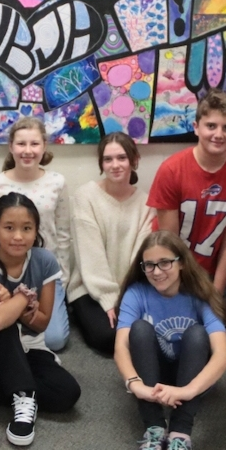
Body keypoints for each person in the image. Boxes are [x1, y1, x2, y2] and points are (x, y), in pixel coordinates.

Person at [114, 232, 226, 450]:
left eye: (165, 263)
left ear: (181, 263)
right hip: (151, 374)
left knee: (198, 334)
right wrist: (135, 385)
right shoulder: (137, 292)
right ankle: (154, 430)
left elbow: (222, 356)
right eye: (149, 265)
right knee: (139, 330)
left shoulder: (200, 293)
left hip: (191, 374)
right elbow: (121, 346)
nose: (156, 272)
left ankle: (180, 434)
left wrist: (188, 390)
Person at [0, 193, 82, 446]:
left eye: (26, 228)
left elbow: (41, 323)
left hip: (29, 346)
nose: (18, 236)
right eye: (9, 228)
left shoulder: (44, 261)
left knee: (67, 392)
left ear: (36, 231)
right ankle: (23, 397)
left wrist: (12, 307)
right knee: (2, 323)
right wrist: (20, 301)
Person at [146, 89, 226, 294]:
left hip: (211, 275)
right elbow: (168, 240)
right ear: (196, 127)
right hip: (167, 272)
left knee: (216, 323)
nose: (218, 134)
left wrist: (215, 291)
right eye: (211, 126)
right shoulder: (171, 170)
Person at [0, 118, 72, 351]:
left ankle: (20, 320)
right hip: (5, 272)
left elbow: (62, 233)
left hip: (43, 274)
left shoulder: (57, 183)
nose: (28, 151)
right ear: (11, 147)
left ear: (44, 146)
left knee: (54, 340)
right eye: (21, 144)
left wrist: (61, 278)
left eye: (34, 144)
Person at [66, 132, 155, 356]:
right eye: (108, 159)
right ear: (101, 163)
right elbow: (90, 255)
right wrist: (109, 300)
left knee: (148, 332)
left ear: (134, 160)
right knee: (109, 338)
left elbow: (139, 257)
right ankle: (80, 313)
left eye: (122, 158)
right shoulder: (84, 197)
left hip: (129, 288)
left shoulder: (146, 204)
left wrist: (128, 299)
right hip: (90, 287)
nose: (115, 165)